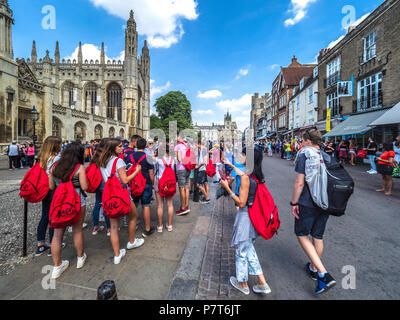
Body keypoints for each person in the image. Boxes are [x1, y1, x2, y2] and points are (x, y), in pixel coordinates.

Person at [220, 148, 271, 295]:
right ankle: (262, 282)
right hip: (254, 217)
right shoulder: (255, 176)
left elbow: (241, 203)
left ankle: (242, 283)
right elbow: (243, 175)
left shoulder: (245, 178)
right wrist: (231, 164)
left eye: (243, 155)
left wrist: (227, 189)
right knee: (249, 250)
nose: (241, 156)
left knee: (242, 251)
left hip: (245, 217)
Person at [291, 129, 336, 294]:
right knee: (317, 236)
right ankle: (313, 268)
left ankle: (323, 274)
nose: (301, 143)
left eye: (302, 140)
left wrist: (293, 202)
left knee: (302, 234)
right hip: (325, 202)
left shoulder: (305, 154)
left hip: (307, 202)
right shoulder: (326, 155)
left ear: (308, 140)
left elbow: (299, 183)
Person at [99, 138, 145, 265]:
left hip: (109, 195)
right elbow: (125, 180)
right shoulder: (118, 161)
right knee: (133, 216)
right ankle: (131, 242)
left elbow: (104, 180)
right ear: (113, 148)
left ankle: (117, 255)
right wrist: (136, 171)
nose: (122, 148)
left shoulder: (102, 161)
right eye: (119, 146)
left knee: (114, 226)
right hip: (122, 194)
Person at [49, 142, 88, 279]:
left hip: (59, 202)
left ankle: (56, 266)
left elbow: (51, 186)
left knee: (57, 235)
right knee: (77, 230)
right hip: (77, 201)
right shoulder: (79, 167)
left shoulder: (54, 166)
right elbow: (84, 186)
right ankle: (80, 258)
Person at [35, 136, 63, 257]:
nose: (62, 146)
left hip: (44, 189)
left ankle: (40, 245)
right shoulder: (58, 158)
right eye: (60, 144)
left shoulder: (40, 157)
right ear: (56, 145)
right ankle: (53, 245)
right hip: (54, 189)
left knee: (45, 216)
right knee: (54, 217)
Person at [129, 138, 156, 237]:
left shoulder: (129, 156)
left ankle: (132, 225)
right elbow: (151, 173)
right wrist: (152, 183)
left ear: (136, 145)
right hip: (146, 183)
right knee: (146, 205)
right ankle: (147, 228)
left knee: (134, 204)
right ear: (145, 146)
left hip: (133, 183)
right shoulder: (148, 157)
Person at [91, 138, 111, 236]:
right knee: (106, 204)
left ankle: (95, 227)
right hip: (104, 182)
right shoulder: (107, 155)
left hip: (97, 181)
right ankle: (109, 228)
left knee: (97, 204)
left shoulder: (96, 154)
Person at [154, 139, 175, 232]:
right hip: (170, 183)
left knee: (160, 205)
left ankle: (160, 226)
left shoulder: (158, 160)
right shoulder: (172, 160)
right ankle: (169, 225)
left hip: (160, 183)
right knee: (170, 205)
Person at [174, 134, 191, 216]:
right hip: (188, 167)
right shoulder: (186, 144)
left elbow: (179, 158)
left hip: (181, 168)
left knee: (181, 188)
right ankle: (187, 205)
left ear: (178, 137)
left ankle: (183, 208)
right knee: (186, 187)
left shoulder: (178, 146)